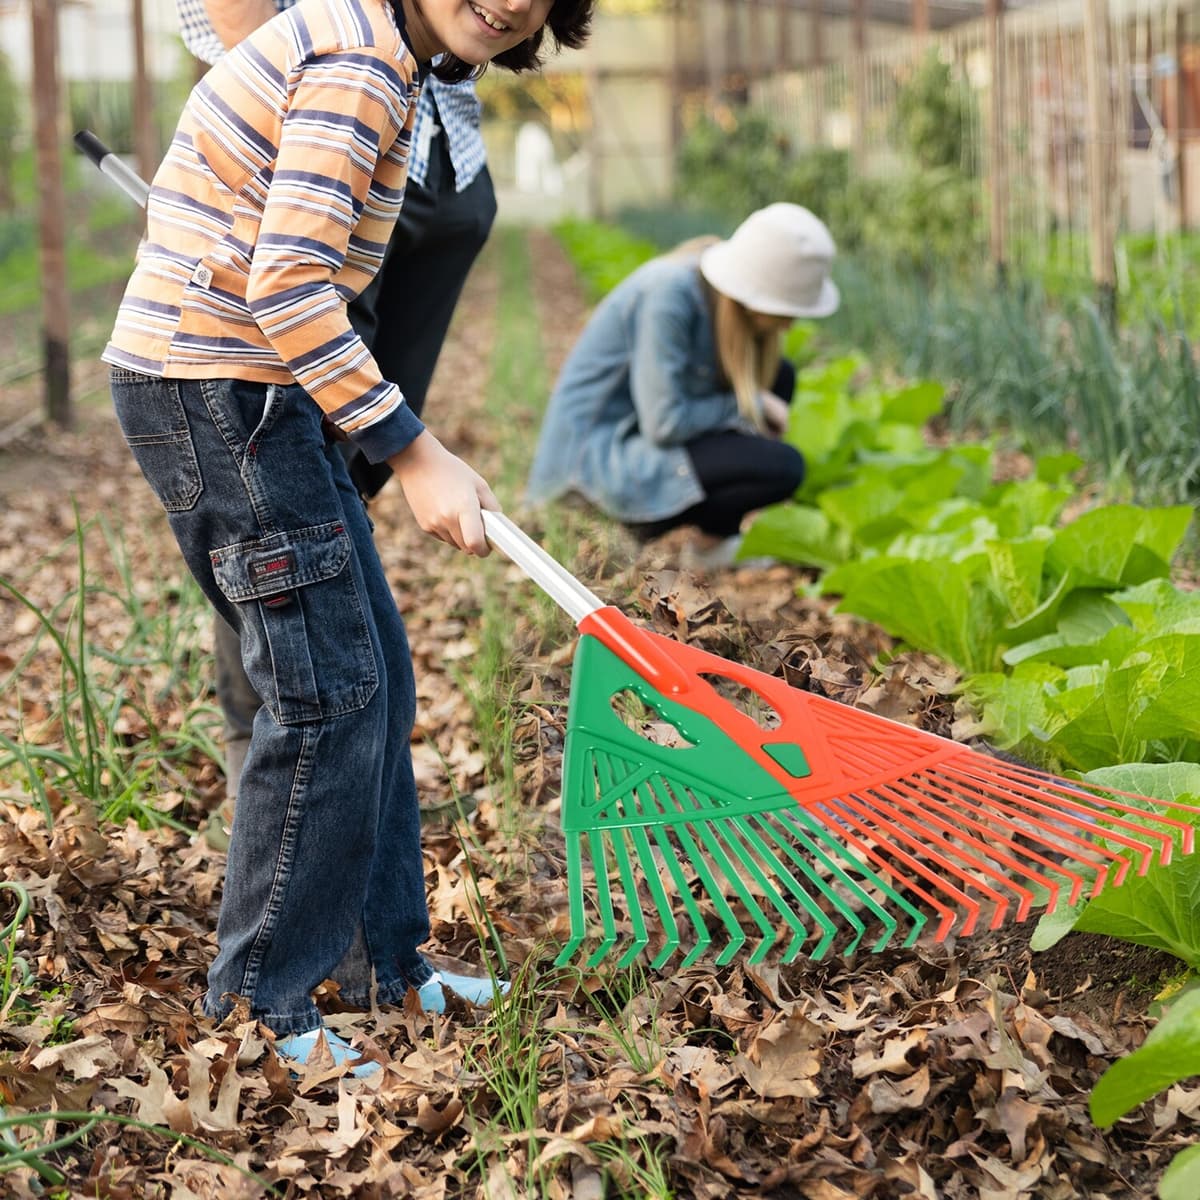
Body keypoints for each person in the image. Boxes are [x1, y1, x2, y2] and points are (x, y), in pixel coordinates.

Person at [102, 0, 594, 1077]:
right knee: (326, 695)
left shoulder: (393, 59)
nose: (510, 0)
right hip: (220, 393)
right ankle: (258, 1006)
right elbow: (287, 282)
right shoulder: (361, 62)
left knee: (375, 678)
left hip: (262, 392)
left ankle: (387, 962)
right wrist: (413, 451)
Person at [175, 0, 499, 850]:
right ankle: (277, 750)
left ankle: (361, 824)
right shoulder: (346, 59)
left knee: (351, 478)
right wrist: (290, 92)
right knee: (288, 487)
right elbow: (287, 286)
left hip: (442, 137)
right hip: (328, 122)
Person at [527, 203, 840, 567]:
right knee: (784, 466)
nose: (789, 325)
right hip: (592, 468)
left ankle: (714, 542)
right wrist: (750, 403)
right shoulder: (669, 295)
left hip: (640, 436)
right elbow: (665, 423)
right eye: (785, 312)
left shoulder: (714, 291)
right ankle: (618, 524)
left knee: (781, 376)